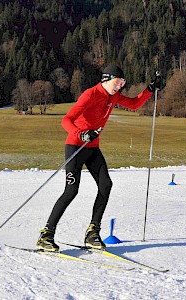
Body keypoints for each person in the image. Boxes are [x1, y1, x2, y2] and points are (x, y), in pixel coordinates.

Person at [36, 65, 162, 252]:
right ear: (106, 79)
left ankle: (92, 233)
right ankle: (46, 235)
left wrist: (150, 90)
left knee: (105, 185)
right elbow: (66, 120)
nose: (119, 87)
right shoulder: (90, 94)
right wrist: (82, 134)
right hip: (75, 146)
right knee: (71, 191)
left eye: (122, 83)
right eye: (117, 82)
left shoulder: (114, 96)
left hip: (93, 147)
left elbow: (134, 104)